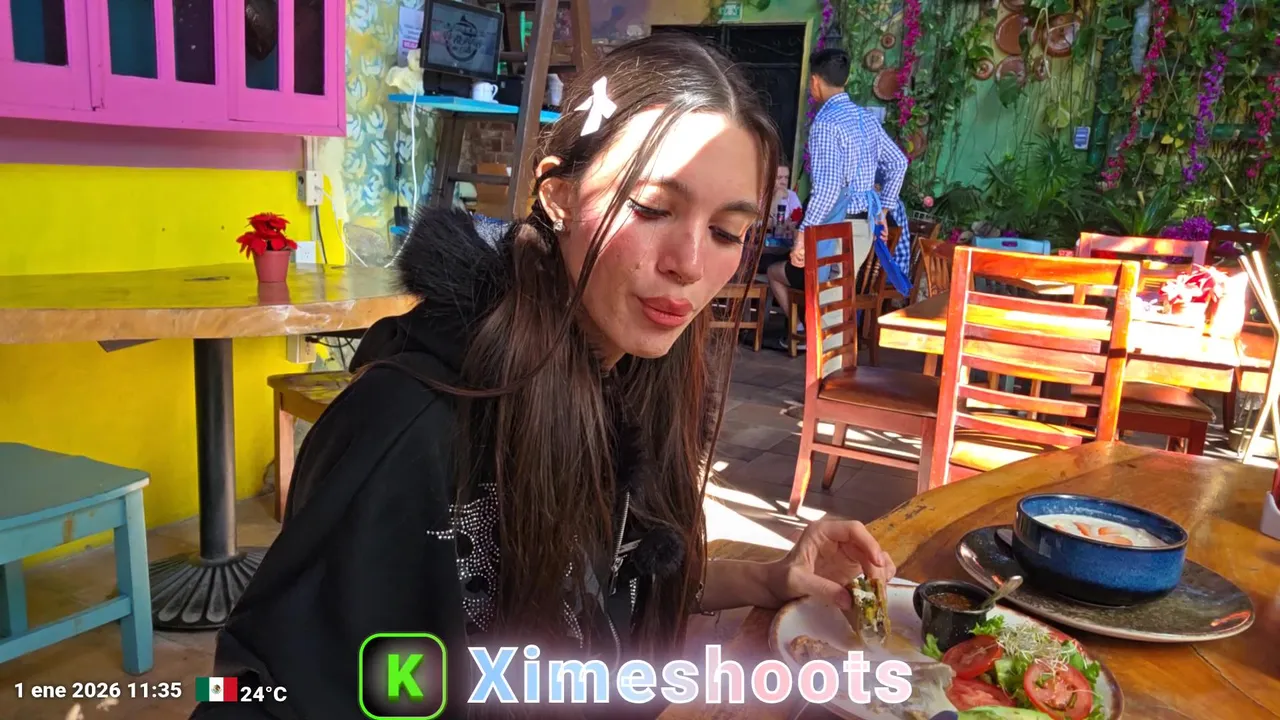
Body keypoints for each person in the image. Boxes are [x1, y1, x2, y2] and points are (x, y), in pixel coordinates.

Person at [190, 34, 895, 720]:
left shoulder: (631, 373)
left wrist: (768, 578)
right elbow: (261, 691)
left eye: (726, 232)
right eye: (652, 208)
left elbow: (597, 582)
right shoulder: (415, 429)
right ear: (556, 195)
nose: (688, 263)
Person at [770, 48, 910, 333]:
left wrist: (802, 235)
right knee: (835, 303)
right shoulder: (866, 119)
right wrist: (882, 212)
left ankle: (826, 362)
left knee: (828, 310)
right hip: (862, 229)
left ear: (814, 81)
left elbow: (828, 188)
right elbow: (898, 162)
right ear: (844, 80)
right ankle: (828, 359)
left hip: (834, 229)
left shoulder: (825, 123)